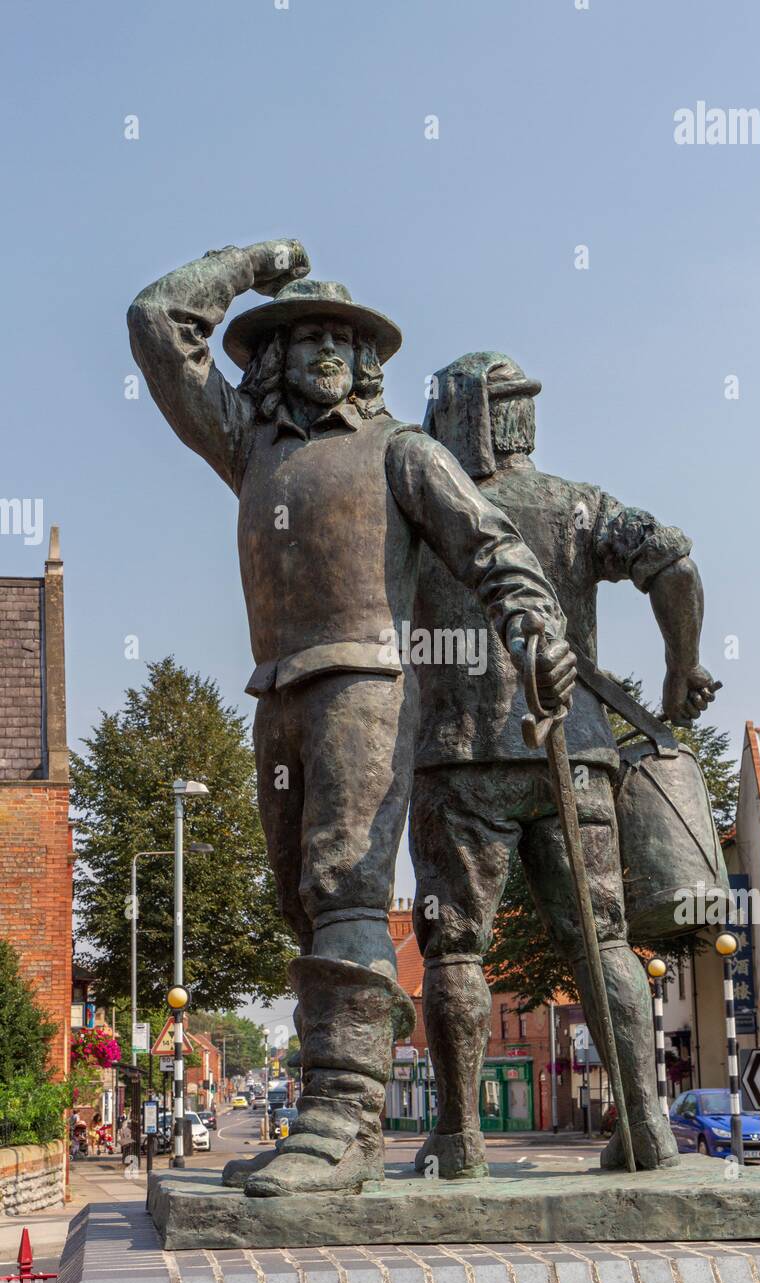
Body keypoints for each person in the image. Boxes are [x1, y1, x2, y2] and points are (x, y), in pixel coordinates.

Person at [128, 241, 576, 1196]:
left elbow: (491, 546)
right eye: (305, 335)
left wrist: (535, 626)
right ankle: (336, 1113)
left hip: (367, 685)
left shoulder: (403, 453)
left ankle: (342, 1118)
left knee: (346, 885)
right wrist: (252, 262)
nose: (329, 348)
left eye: (346, 335)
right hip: (279, 689)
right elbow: (157, 325)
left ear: (370, 361)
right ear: (271, 358)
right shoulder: (250, 445)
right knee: (300, 895)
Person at [410, 351, 718, 1175]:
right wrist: (680, 666)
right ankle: (647, 1127)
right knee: (603, 941)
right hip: (573, 750)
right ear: (512, 419)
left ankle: (459, 1139)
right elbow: (674, 561)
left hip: (459, 758)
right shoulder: (578, 506)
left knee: (454, 950)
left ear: (455, 418)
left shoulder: (421, 506)